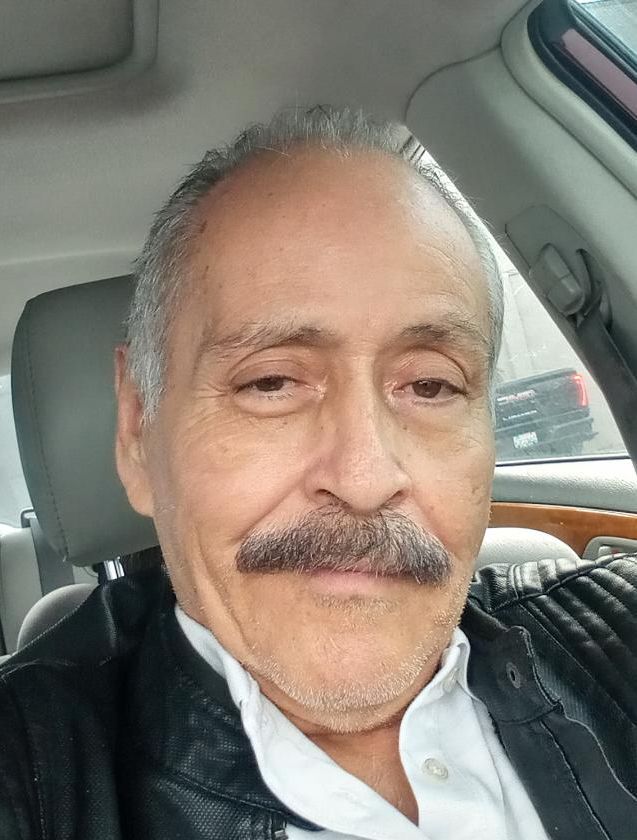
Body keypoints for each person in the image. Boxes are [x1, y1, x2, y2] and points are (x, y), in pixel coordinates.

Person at [1, 108, 636, 840]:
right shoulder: (32, 773)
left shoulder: (614, 631)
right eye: (270, 382)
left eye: (431, 385)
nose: (365, 480)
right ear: (138, 432)